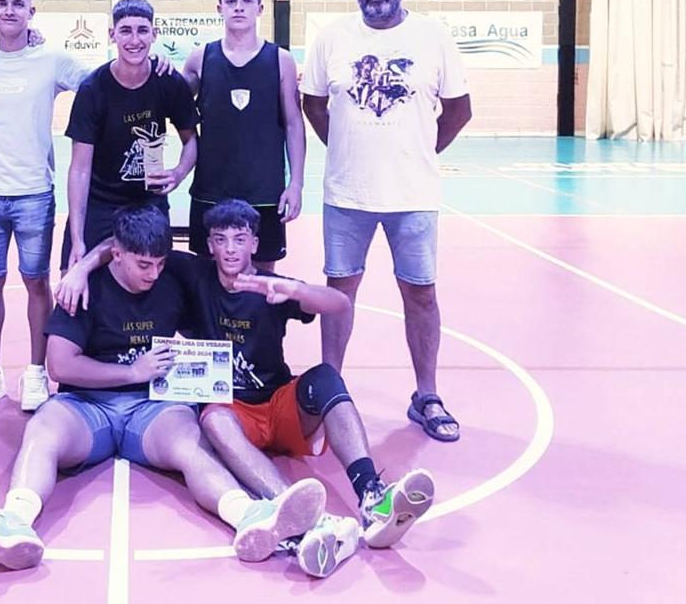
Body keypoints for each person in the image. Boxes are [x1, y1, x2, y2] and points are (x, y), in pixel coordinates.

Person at [58, 199, 435, 577]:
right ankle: (292, 508)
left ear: (255, 243)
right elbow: (124, 244)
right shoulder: (192, 273)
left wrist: (292, 289)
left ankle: (372, 494)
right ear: (209, 245)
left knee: (326, 378)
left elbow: (339, 304)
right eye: (221, 239)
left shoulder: (271, 286)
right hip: (232, 412)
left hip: (277, 403)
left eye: (240, 239)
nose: (230, 249)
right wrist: (81, 268)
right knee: (211, 419)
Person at [0, 205, 326, 571]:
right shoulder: (84, 289)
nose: (153, 273)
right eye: (144, 265)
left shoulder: (172, 278)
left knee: (191, 442)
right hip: (86, 406)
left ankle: (249, 516)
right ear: (118, 255)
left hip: (153, 406)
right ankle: (14, 522)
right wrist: (131, 371)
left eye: (160, 263)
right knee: (42, 429)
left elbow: (222, 290)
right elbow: (59, 364)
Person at [300, 0, 472, 442]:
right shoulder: (332, 37)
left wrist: (419, 150)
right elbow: (313, 105)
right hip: (347, 194)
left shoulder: (433, 37)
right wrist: (347, 147)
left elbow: (459, 111)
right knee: (339, 293)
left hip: (413, 194)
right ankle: (330, 392)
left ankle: (427, 395)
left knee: (421, 293)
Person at [0, 0, 86, 414]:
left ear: (32, 11)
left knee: (36, 282)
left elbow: (99, 82)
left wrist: (152, 61)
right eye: (2, 3)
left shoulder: (52, 60)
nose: (10, 10)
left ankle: (35, 372)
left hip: (34, 191)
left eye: (18, 4)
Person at [63, 0, 198, 271]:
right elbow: (79, 169)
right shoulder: (93, 89)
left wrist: (178, 173)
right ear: (112, 35)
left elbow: (191, 140)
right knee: (72, 274)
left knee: (151, 274)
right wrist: (77, 239)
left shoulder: (168, 82)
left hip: (148, 199)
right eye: (125, 31)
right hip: (101, 200)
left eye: (142, 30)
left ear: (154, 34)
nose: (134, 40)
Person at [182, 0, 306, 270]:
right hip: (211, 189)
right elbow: (173, 106)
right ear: (219, 8)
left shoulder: (281, 60)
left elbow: (293, 124)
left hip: (265, 190)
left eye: (247, 0)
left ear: (260, 8)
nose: (239, 7)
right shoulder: (200, 58)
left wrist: (296, 183)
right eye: (231, 0)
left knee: (262, 276)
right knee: (206, 276)